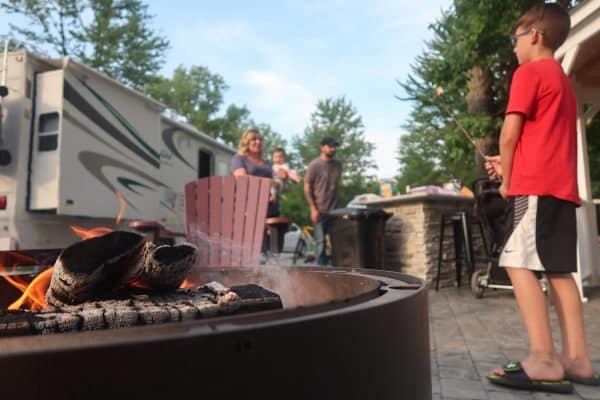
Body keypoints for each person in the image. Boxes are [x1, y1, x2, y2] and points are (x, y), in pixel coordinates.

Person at [484, 3, 599, 394]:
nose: (514, 46)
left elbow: (509, 134)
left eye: (515, 38)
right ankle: (577, 360)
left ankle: (544, 359)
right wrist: (510, 163)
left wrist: (508, 180)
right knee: (559, 272)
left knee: (516, 264)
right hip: (560, 191)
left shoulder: (528, 72)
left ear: (533, 35)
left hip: (532, 190)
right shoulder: (561, 80)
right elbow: (541, 141)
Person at [231, 129, 285, 260]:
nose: (258, 142)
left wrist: (275, 185)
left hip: (271, 207)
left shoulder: (267, 163)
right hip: (250, 206)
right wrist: (267, 182)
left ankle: (272, 263)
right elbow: (241, 178)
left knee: (275, 242)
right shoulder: (239, 159)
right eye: (254, 139)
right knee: (256, 245)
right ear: (246, 142)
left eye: (260, 139)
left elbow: (277, 183)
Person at [304, 137, 342, 266]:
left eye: (334, 146)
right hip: (320, 210)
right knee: (320, 243)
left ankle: (337, 271)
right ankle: (320, 272)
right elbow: (307, 188)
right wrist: (313, 209)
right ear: (322, 147)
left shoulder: (338, 165)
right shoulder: (315, 165)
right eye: (330, 146)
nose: (333, 149)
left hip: (335, 211)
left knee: (338, 242)